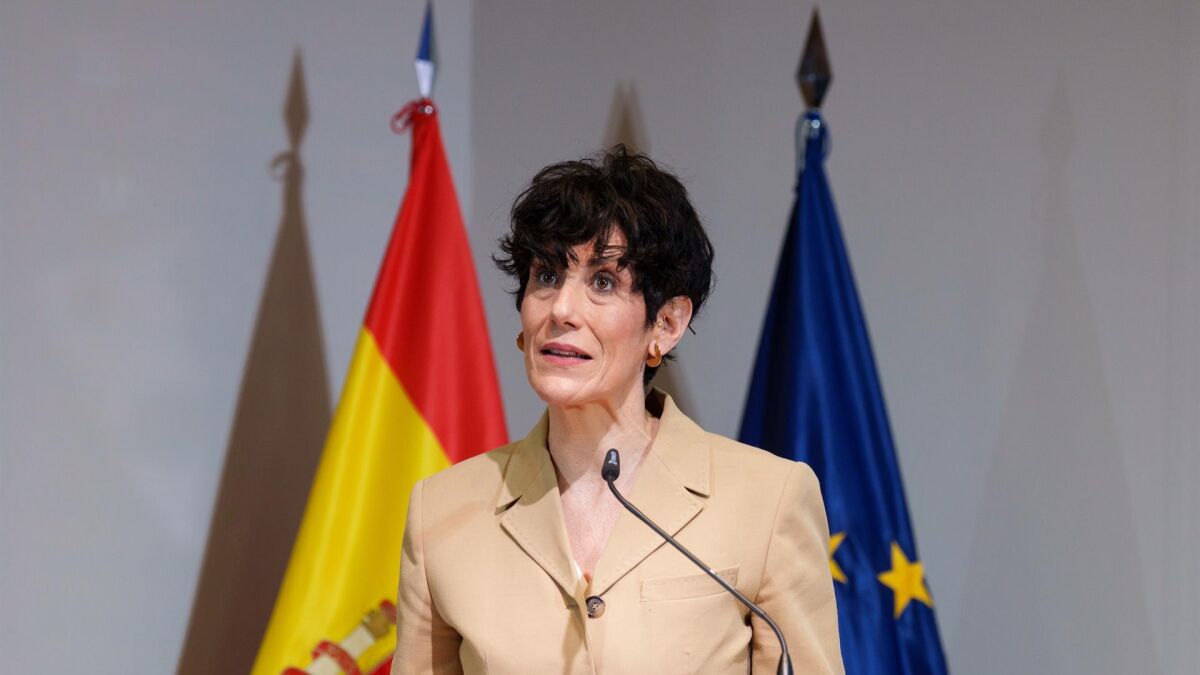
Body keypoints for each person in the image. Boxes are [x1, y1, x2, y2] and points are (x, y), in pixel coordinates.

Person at [392, 146, 843, 674]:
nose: (561, 309)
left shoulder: (769, 500)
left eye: (603, 282)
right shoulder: (440, 512)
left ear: (666, 324)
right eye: (546, 276)